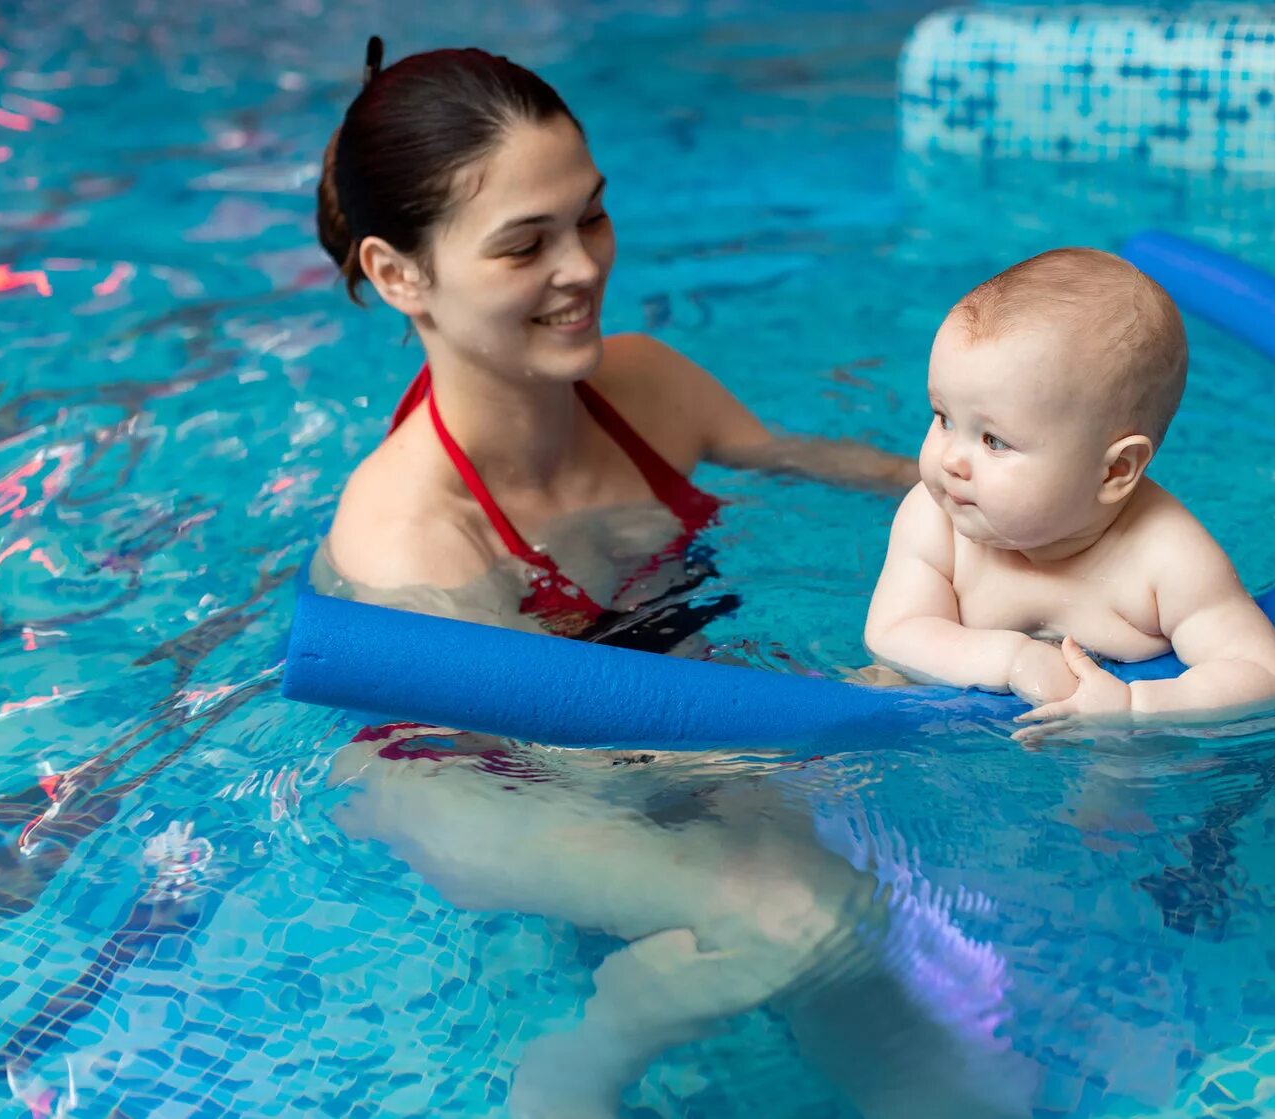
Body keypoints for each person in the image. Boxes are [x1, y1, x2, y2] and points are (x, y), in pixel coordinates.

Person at [313, 36, 1030, 1119]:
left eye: (590, 218)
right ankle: (575, 1063)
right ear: (398, 274)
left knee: (874, 957)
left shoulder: (638, 384)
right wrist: (850, 703)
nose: (583, 269)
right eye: (524, 246)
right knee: (804, 916)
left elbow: (820, 464)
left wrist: (1021, 516)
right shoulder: (409, 536)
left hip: (666, 718)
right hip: (474, 779)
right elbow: (560, 758)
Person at [864, 248, 1275, 743]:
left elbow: (1260, 672)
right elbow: (895, 631)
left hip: (1111, 755)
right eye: (943, 418)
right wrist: (1011, 659)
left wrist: (1135, 705)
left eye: (994, 441)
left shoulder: (1166, 559)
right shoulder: (934, 519)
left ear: (1115, 469)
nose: (949, 461)